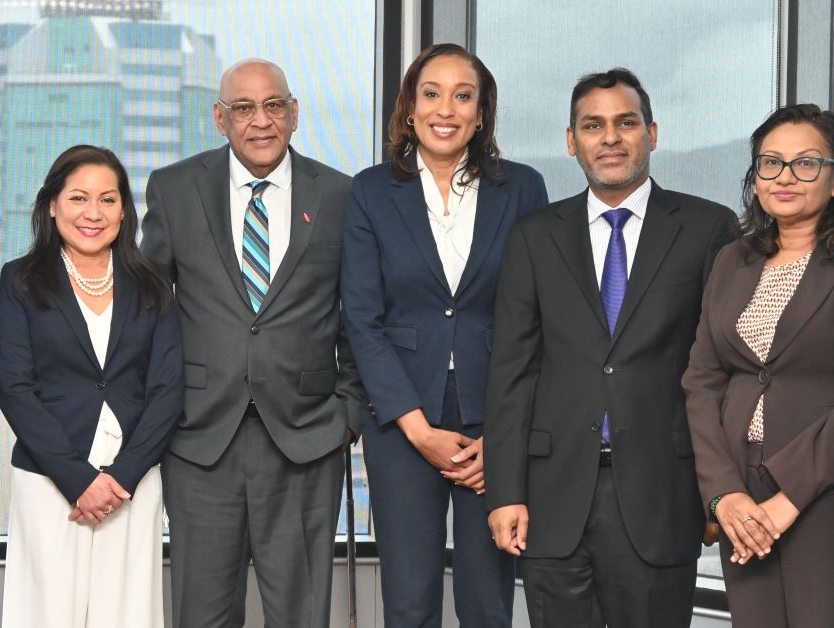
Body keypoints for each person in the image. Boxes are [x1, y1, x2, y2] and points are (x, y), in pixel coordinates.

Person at [483, 68, 737, 628]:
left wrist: (720, 490)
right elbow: (511, 373)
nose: (611, 137)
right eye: (593, 126)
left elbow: (723, 371)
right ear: (572, 142)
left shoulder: (707, 228)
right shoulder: (533, 236)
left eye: (625, 123)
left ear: (651, 131)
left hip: (663, 493)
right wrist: (504, 492)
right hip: (551, 497)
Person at [141, 58, 366, 628]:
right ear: (220, 119)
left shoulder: (341, 195)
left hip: (308, 439)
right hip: (199, 440)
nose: (259, 121)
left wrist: (349, 412)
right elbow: (147, 312)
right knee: (203, 614)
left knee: (301, 614)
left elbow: (362, 315)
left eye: (273, 106)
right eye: (243, 108)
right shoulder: (174, 189)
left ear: (294, 114)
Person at [341, 43, 547, 627]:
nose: (446, 109)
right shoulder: (372, 190)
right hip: (403, 418)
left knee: (488, 600)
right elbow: (362, 318)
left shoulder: (523, 188)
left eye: (464, 96)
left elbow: (537, 317)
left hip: (494, 417)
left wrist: (507, 438)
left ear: (482, 114)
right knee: (408, 600)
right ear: (409, 107)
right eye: (431, 93)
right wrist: (415, 427)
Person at [0, 145, 182, 627]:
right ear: (52, 204)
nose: (93, 214)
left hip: (131, 481)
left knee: (127, 613)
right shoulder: (20, 280)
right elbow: (15, 388)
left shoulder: (152, 283)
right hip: (49, 480)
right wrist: (79, 481)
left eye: (108, 199)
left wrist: (121, 478)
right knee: (47, 613)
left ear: (124, 210)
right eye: (78, 198)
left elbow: (168, 388)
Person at [683, 104, 834, 628]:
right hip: (742, 494)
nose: (785, 177)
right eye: (771, 163)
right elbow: (701, 380)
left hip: (821, 489)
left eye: (806, 163)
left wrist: (789, 498)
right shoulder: (734, 259)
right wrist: (723, 495)